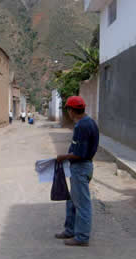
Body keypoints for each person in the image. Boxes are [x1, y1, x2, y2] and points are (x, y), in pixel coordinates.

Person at [55, 96, 99, 247]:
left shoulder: (82, 126)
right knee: (72, 201)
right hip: (83, 167)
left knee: (82, 204)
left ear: (71, 110)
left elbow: (80, 153)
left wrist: (63, 157)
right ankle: (70, 229)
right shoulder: (90, 122)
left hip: (80, 167)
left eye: (68, 109)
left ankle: (82, 236)